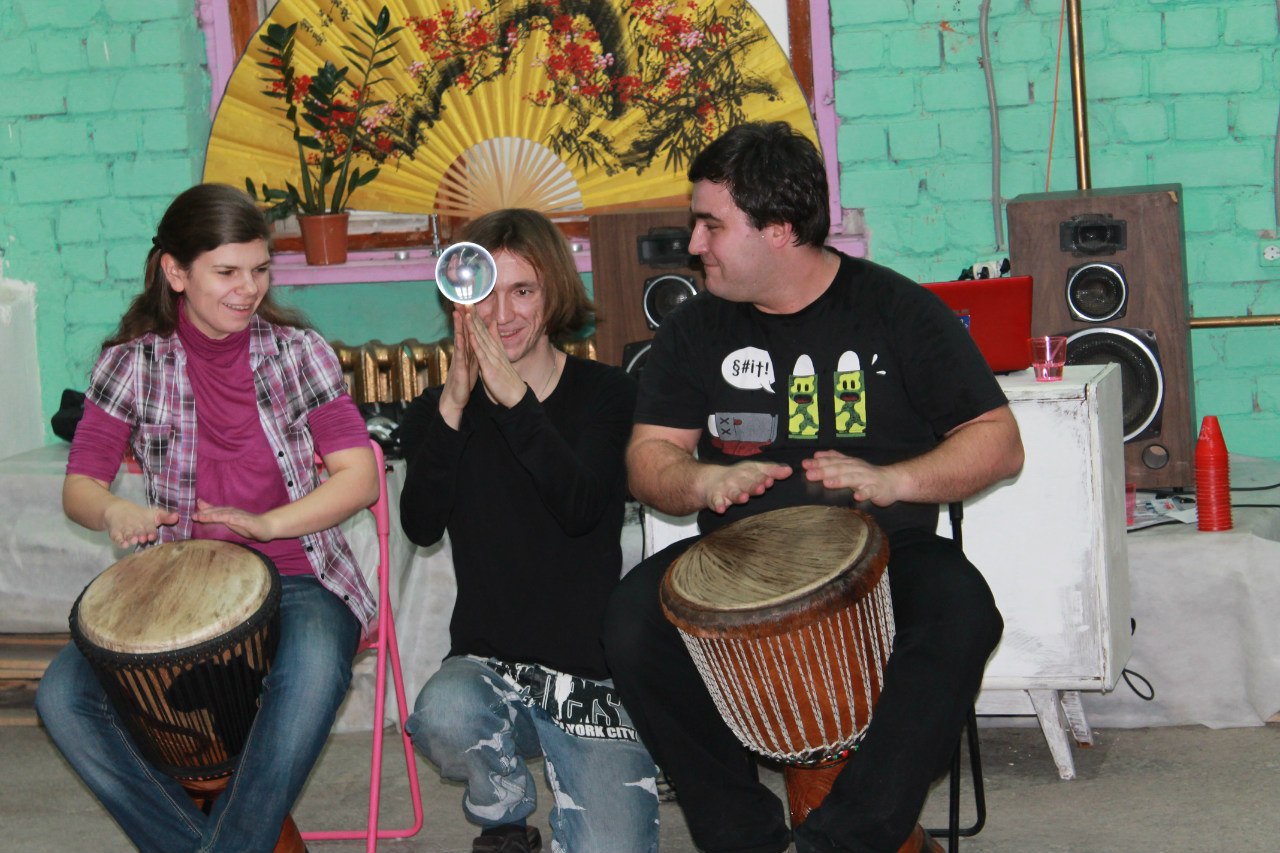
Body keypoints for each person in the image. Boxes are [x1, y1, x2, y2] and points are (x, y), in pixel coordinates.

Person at [602, 121, 1025, 853]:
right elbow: (649, 459)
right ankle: (742, 836)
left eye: (711, 225)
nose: (694, 244)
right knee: (631, 620)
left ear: (779, 229)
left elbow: (999, 440)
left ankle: (850, 838)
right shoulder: (696, 328)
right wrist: (702, 479)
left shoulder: (897, 310)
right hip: (737, 562)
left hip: (883, 556)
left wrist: (897, 478)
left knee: (962, 611)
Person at [36, 183, 378, 853]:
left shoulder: (298, 352)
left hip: (299, 577)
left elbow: (359, 477)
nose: (248, 289)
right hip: (176, 593)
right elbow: (80, 488)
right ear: (176, 272)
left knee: (311, 671)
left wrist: (270, 524)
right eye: (227, 272)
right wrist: (114, 509)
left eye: (260, 269)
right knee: (63, 697)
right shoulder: (131, 363)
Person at [398, 208, 659, 853]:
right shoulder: (440, 411)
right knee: (443, 713)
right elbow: (421, 526)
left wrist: (516, 401)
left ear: (554, 294)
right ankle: (505, 817)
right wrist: (454, 404)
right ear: (460, 303)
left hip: (590, 673)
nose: (502, 315)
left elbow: (580, 508)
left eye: (523, 291)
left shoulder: (606, 393)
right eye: (486, 294)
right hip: (487, 668)